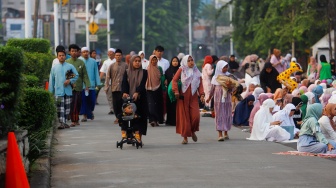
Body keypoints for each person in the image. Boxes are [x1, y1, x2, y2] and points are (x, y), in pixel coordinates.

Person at [172, 55, 204, 144]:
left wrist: (202, 94)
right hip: (183, 96)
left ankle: (192, 131)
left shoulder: (197, 71)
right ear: (185, 62)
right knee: (185, 118)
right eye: (189, 60)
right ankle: (185, 137)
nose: (191, 62)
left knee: (196, 116)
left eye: (192, 60)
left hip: (193, 96)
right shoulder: (182, 69)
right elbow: (174, 80)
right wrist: (176, 91)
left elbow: (200, 84)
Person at [49, 46, 79, 129]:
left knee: (67, 108)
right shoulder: (54, 68)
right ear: (57, 57)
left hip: (68, 91)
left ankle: (64, 122)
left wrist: (69, 81)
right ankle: (62, 123)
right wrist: (50, 92)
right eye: (60, 55)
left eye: (63, 55)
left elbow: (76, 75)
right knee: (60, 108)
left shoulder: (69, 67)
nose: (61, 57)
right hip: (58, 91)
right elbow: (52, 81)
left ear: (65, 56)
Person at [122, 55, 148, 142]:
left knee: (141, 118)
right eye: (135, 61)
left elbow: (143, 84)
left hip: (141, 98)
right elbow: (124, 83)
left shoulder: (144, 72)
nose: (137, 63)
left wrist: (137, 92)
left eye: (139, 61)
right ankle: (132, 135)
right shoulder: (127, 72)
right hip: (130, 99)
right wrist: (125, 92)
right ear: (131, 62)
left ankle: (139, 137)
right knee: (131, 118)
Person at [206, 60, 233, 141]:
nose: (225, 69)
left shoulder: (229, 76)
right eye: (224, 67)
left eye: (226, 67)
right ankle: (220, 134)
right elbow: (212, 89)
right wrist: (209, 98)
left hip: (227, 98)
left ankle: (226, 132)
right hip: (218, 99)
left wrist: (229, 86)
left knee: (227, 114)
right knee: (219, 115)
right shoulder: (215, 78)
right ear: (219, 67)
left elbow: (233, 88)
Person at [66, 44, 90, 126]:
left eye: (75, 51)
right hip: (70, 87)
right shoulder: (67, 62)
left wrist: (87, 85)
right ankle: (74, 120)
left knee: (78, 103)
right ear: (69, 52)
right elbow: (67, 75)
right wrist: (71, 83)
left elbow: (85, 75)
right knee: (72, 104)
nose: (74, 53)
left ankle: (76, 119)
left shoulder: (81, 62)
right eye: (72, 51)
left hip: (79, 87)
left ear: (78, 52)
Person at [104, 49, 128, 124]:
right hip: (114, 88)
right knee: (116, 104)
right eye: (116, 55)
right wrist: (106, 86)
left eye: (119, 55)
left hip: (123, 88)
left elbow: (128, 77)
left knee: (123, 103)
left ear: (122, 56)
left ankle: (122, 117)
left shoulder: (126, 65)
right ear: (115, 56)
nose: (118, 57)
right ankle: (117, 117)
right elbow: (108, 77)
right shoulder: (111, 66)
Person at [78, 47, 101, 123]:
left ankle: (90, 111)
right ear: (81, 53)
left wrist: (98, 83)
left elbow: (96, 72)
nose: (85, 53)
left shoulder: (93, 61)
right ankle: (84, 116)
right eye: (84, 52)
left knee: (92, 101)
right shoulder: (79, 61)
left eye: (87, 52)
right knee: (84, 101)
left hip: (91, 85)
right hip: (83, 86)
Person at [146, 55, 164, 127]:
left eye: (155, 60)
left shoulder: (159, 68)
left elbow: (161, 78)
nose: (154, 61)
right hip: (149, 89)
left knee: (158, 105)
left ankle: (156, 120)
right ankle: (152, 120)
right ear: (150, 61)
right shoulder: (147, 69)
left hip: (158, 88)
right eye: (152, 60)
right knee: (151, 106)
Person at [165, 56, 180, 126]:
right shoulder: (168, 71)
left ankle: (178, 120)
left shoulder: (180, 70)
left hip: (178, 90)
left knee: (178, 105)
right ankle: (170, 120)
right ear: (171, 62)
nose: (175, 62)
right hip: (170, 90)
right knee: (170, 105)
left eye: (176, 61)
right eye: (173, 61)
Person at [100, 48, 116, 115]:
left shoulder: (117, 61)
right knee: (109, 96)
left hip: (116, 82)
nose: (109, 54)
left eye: (111, 52)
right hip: (108, 82)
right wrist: (99, 80)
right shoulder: (106, 62)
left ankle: (116, 109)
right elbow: (102, 71)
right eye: (108, 52)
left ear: (114, 53)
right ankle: (111, 109)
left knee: (116, 97)